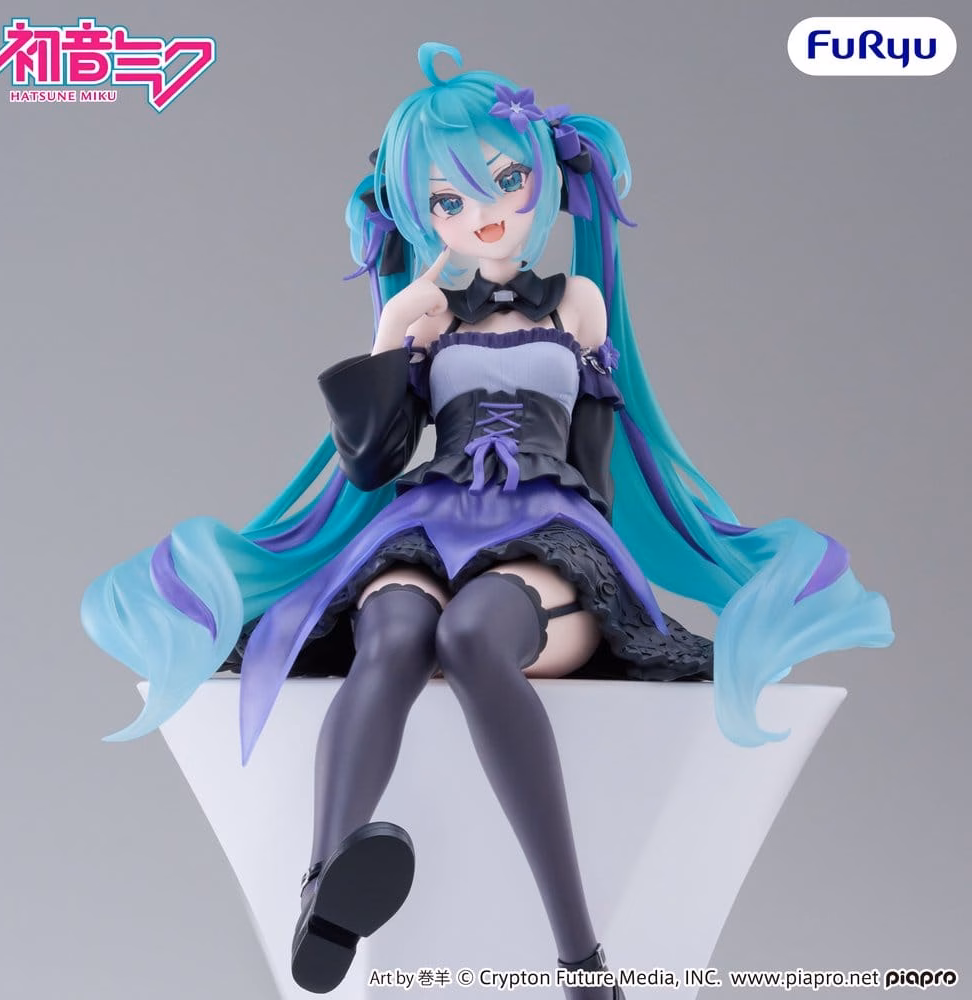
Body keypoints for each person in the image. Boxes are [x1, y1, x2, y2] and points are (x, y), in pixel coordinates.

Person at [81, 43, 893, 998]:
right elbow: (373, 463)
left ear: (544, 175)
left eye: (506, 180)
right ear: (420, 215)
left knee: (472, 637)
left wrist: (615, 550)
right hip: (428, 520)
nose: (484, 212)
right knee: (393, 632)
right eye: (447, 201)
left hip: (548, 529)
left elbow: (603, 458)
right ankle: (323, 890)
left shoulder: (578, 305)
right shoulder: (428, 315)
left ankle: (580, 952)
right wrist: (391, 333)